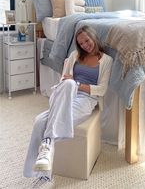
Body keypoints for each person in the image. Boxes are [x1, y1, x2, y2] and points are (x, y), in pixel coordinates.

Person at [23, 25, 113, 183]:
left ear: (93, 37)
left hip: (86, 99)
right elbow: (64, 80)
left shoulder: (106, 60)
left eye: (87, 40)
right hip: (64, 94)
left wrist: (77, 84)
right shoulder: (74, 55)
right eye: (81, 43)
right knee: (68, 85)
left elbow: (102, 89)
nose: (85, 45)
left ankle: (44, 164)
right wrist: (72, 84)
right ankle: (47, 148)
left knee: (39, 122)